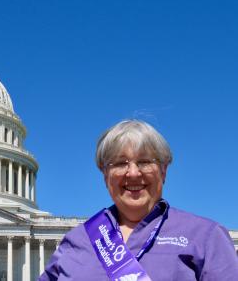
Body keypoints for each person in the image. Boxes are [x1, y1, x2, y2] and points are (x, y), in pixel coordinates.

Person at [39, 120, 238, 281]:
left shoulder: (206, 237)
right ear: (105, 174)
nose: (133, 173)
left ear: (163, 170)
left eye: (145, 161)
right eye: (119, 163)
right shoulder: (77, 240)